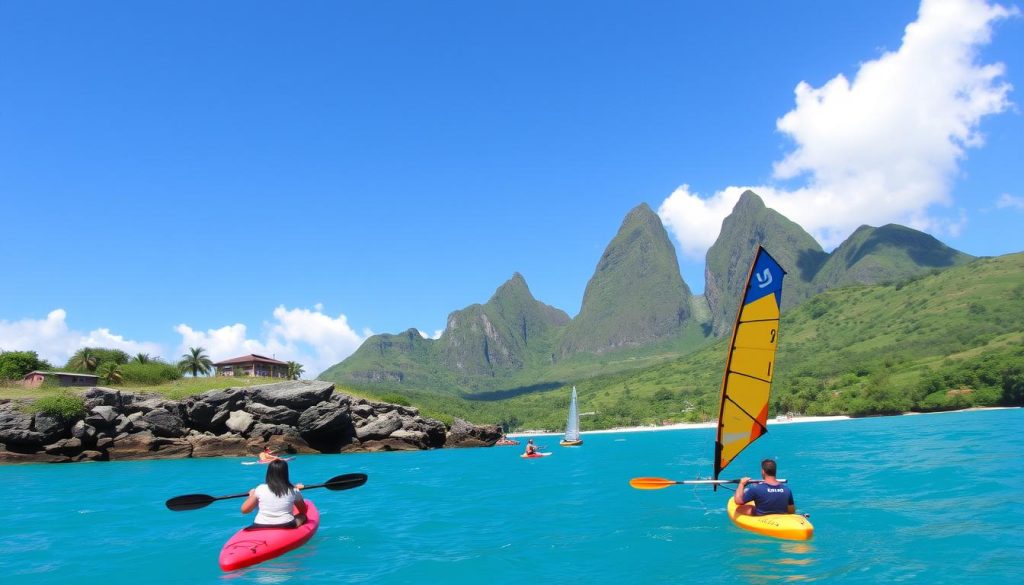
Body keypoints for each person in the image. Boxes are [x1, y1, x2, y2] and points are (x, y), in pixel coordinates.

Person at [241, 459, 307, 528]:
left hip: (260, 524)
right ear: (285, 473)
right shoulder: (294, 490)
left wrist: (251, 495)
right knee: (303, 516)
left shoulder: (260, 489)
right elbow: (303, 510)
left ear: (269, 473)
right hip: (286, 525)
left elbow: (244, 510)